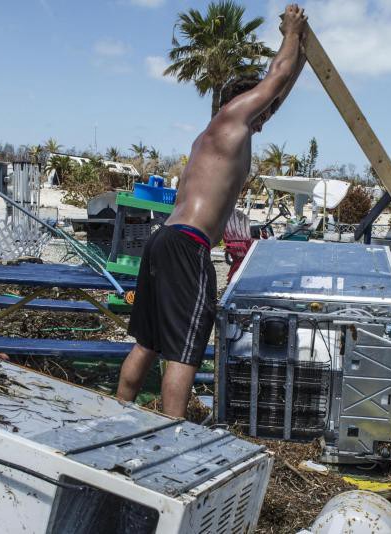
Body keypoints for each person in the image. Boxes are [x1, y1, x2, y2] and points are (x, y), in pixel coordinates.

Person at [116, 4, 308, 418]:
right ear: (243, 102)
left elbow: (278, 90)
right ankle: (171, 431)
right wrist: (290, 32)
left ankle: (118, 412)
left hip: (166, 240)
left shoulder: (221, 136)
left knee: (148, 341)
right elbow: (274, 81)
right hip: (187, 245)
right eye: (261, 105)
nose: (266, 112)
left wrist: (302, 57)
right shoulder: (231, 118)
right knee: (185, 349)